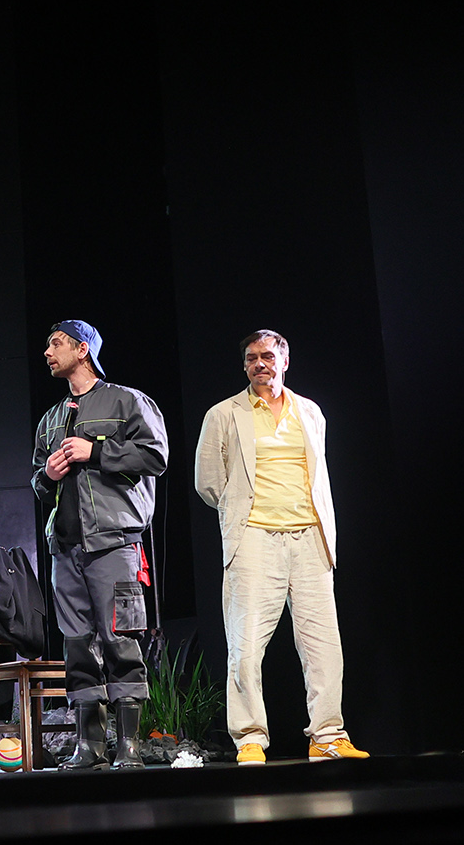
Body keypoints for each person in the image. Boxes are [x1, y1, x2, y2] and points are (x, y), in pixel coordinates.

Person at [194, 329, 368, 765]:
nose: (260, 364)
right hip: (254, 537)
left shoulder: (309, 411)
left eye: (268, 356)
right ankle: (249, 738)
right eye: (252, 358)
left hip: (310, 537)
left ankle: (328, 735)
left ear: (284, 361)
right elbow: (208, 482)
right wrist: (241, 510)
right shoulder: (223, 413)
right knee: (246, 644)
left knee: (323, 644)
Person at [32, 320, 167, 770]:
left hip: (113, 543)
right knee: (77, 645)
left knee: (120, 640)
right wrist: (47, 476)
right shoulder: (50, 419)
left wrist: (97, 452)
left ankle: (128, 745)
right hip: (65, 548)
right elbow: (39, 484)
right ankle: (88, 745)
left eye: (56, 344)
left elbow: (155, 456)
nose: (47, 352)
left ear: (82, 350)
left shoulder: (126, 401)